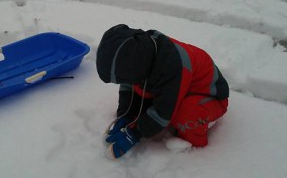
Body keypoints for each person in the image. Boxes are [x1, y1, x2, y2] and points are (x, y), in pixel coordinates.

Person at [96, 24, 229, 159]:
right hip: (180, 88)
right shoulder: (142, 53)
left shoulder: (172, 68)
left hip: (210, 97)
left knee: (187, 114)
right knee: (142, 89)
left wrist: (136, 132)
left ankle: (192, 148)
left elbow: (163, 111)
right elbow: (129, 87)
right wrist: (126, 115)